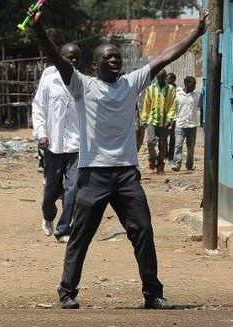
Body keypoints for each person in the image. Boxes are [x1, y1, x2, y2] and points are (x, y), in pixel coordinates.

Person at [28, 7, 208, 310]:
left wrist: (196, 32)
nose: (115, 59)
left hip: (126, 174)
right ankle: (67, 291)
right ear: (95, 64)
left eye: (117, 56)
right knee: (80, 236)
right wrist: (38, 30)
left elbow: (166, 56)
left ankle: (152, 293)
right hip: (93, 175)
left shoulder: (132, 82)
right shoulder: (83, 86)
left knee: (143, 231)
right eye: (108, 57)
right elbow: (58, 60)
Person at [31, 43, 81, 243]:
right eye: (69, 57)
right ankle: (48, 215)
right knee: (51, 190)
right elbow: (39, 107)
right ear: (59, 57)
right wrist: (41, 133)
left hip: (77, 145)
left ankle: (63, 229)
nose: (73, 60)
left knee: (74, 188)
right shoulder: (49, 78)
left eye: (77, 57)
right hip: (53, 144)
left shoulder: (82, 81)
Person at [140, 69, 176, 174]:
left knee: (163, 145)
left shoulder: (170, 89)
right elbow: (146, 105)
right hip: (152, 120)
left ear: (165, 78)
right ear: (156, 78)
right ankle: (152, 161)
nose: (160, 80)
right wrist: (144, 119)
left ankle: (160, 165)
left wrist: (170, 118)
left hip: (164, 122)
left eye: (162, 78)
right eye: (158, 78)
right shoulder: (151, 89)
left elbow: (172, 105)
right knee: (150, 142)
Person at [172, 76, 200, 172]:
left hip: (192, 125)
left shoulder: (196, 96)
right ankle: (176, 164)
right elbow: (172, 108)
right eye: (193, 85)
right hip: (180, 124)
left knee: (191, 147)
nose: (194, 86)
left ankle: (189, 166)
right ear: (186, 84)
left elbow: (200, 106)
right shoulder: (177, 95)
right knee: (178, 145)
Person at [166, 72, 177, 161]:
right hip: (166, 116)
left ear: (173, 80)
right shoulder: (165, 89)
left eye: (168, 79)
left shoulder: (178, 90)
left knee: (173, 137)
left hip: (175, 117)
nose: (167, 80)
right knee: (164, 137)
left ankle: (171, 156)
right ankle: (164, 154)